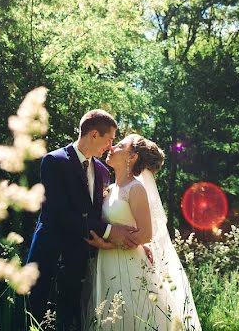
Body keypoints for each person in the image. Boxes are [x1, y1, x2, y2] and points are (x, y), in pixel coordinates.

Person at [26, 110, 140, 330]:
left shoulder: (102, 171)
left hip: (79, 259)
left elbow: (98, 212)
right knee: (35, 317)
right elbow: (59, 214)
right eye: (109, 139)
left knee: (69, 320)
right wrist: (109, 231)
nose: (110, 146)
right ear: (94, 134)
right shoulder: (54, 161)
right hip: (49, 254)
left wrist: (137, 243)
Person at [84, 134, 201, 330]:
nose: (112, 147)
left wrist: (109, 244)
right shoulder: (111, 188)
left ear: (132, 157)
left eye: (120, 145)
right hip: (107, 262)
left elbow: (146, 234)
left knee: (133, 316)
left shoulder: (135, 189)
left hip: (128, 262)